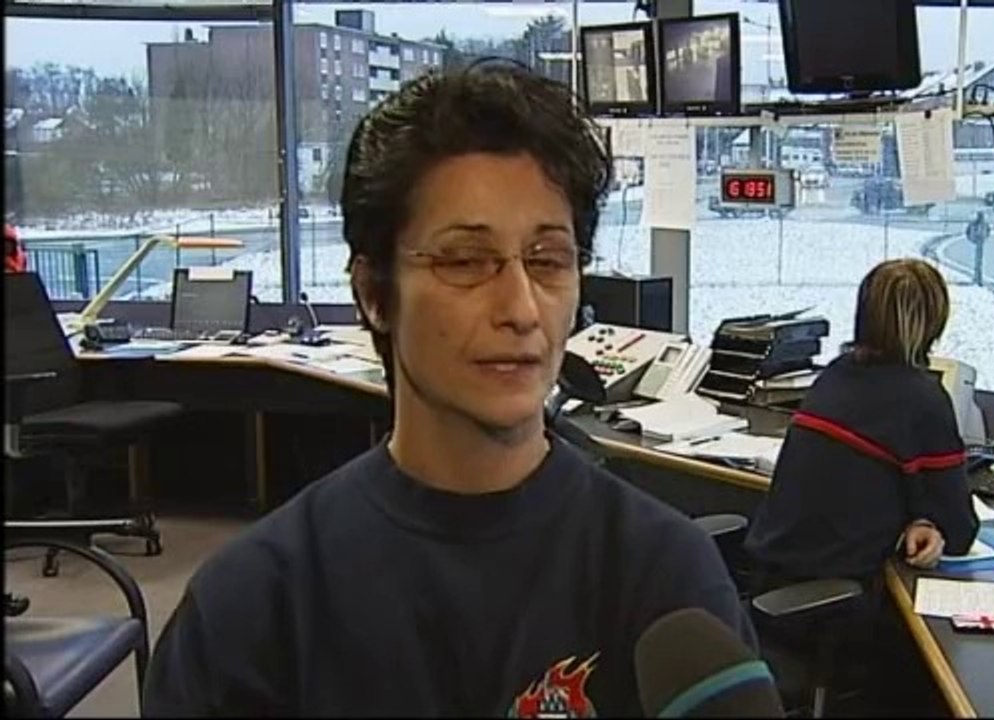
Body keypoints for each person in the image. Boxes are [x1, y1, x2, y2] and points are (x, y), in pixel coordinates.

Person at [143, 65, 754, 717]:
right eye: (466, 261)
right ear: (375, 293)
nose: (521, 308)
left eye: (547, 260)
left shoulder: (665, 579)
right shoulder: (254, 607)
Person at [744, 258, 979, 589]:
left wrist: (921, 521)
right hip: (836, 604)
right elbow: (959, 530)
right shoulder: (921, 398)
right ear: (934, 323)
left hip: (771, 580)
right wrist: (929, 523)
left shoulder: (834, 374)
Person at [965, 211, 989, 287]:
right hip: (978, 241)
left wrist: (983, 238)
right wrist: (972, 239)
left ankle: (978, 278)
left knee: (979, 262)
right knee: (978, 262)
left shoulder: (984, 224)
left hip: (980, 242)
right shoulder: (975, 223)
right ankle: (977, 278)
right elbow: (968, 231)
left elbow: (988, 231)